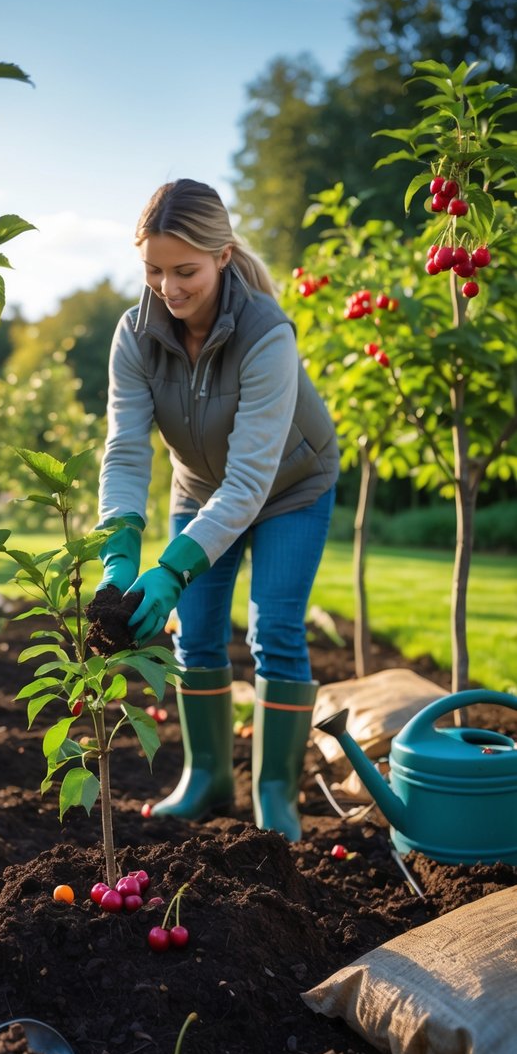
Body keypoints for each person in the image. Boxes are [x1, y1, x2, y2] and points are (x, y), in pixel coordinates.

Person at [96, 178, 339, 841]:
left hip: (289, 488)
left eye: (185, 271)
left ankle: (274, 795)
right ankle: (207, 779)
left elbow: (251, 480)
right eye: (152, 270)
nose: (168, 288)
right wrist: (118, 553)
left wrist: (171, 569)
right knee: (195, 635)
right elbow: (124, 450)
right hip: (201, 489)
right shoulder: (134, 335)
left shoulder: (266, 334)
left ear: (222, 256)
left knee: (274, 632)